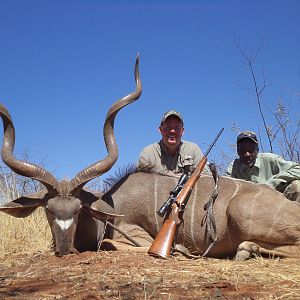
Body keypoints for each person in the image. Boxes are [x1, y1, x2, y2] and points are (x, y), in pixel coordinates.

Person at [226, 131, 300, 202]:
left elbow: (297, 169)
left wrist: (274, 182)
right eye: (243, 150)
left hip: (275, 199)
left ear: (257, 150)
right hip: (249, 203)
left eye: (251, 150)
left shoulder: (270, 159)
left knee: (297, 186)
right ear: (238, 151)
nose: (247, 154)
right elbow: (227, 188)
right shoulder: (233, 167)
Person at [137, 110, 210, 176]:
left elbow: (206, 177)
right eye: (168, 127)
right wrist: (170, 175)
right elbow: (140, 179)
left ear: (182, 131)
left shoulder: (193, 149)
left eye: (177, 128)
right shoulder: (148, 153)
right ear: (160, 130)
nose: (172, 131)